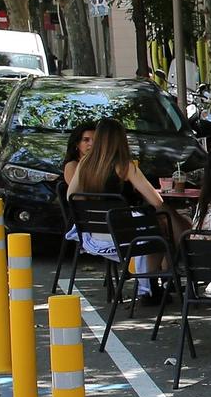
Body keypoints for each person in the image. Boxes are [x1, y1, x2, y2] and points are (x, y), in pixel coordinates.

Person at [66, 118, 174, 300]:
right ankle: (150, 284)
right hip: (122, 236)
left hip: (93, 235)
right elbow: (156, 200)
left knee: (152, 227)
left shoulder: (84, 164)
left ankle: (149, 286)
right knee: (161, 228)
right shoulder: (125, 166)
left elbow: (72, 196)